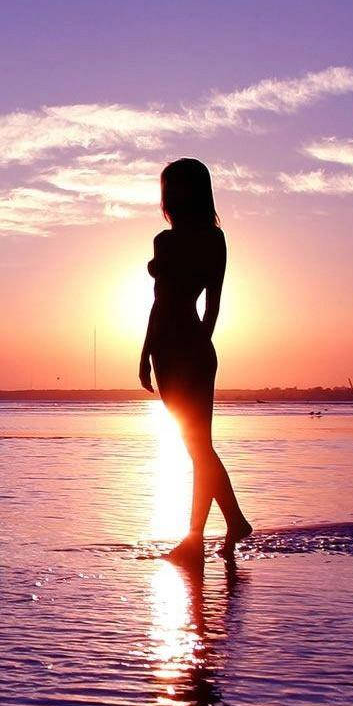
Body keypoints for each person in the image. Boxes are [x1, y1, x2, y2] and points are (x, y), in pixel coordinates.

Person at [139, 159, 252, 561]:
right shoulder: (163, 241)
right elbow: (158, 303)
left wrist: (197, 350)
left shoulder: (213, 239)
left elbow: (214, 304)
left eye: (173, 187)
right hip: (165, 352)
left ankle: (196, 539)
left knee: (199, 446)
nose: (167, 196)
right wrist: (145, 353)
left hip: (192, 351)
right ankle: (232, 522)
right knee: (196, 447)